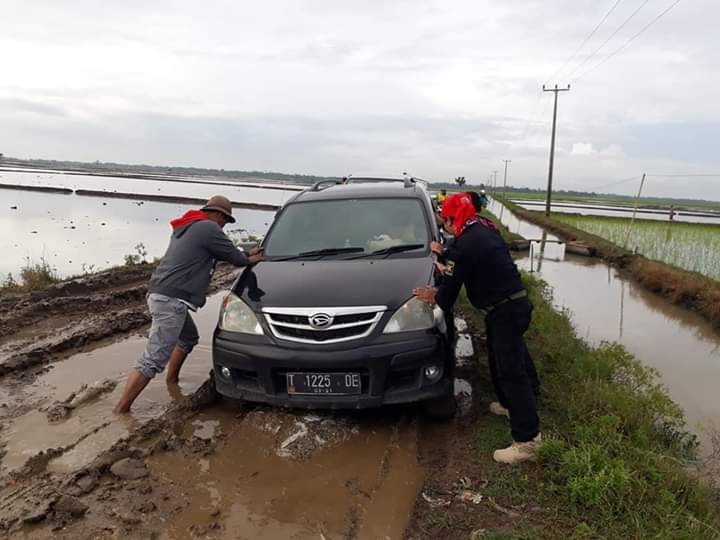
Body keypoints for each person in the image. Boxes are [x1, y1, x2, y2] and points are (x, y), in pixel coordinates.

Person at [414, 193, 541, 464]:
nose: (445, 226)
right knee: (506, 357)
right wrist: (446, 255)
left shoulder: (465, 243)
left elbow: (449, 293)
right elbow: (468, 259)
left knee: (511, 372)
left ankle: (528, 440)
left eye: (446, 221)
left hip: (505, 311)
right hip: (513, 305)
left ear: (453, 219)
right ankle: (513, 404)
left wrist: (434, 294)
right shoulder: (483, 228)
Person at [114, 195, 263, 414]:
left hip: (161, 294)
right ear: (217, 214)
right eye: (225, 219)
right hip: (172, 301)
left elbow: (224, 252)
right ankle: (121, 410)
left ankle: (171, 381)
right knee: (153, 359)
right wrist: (251, 258)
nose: (224, 224)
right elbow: (236, 258)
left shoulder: (189, 226)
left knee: (188, 338)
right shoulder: (208, 228)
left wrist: (245, 253)